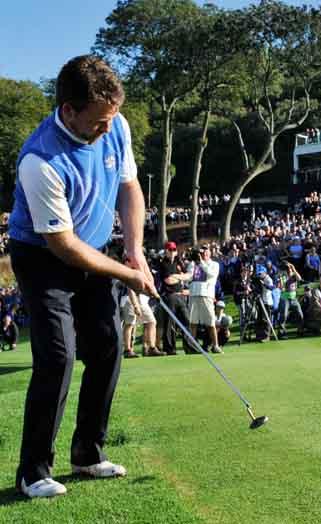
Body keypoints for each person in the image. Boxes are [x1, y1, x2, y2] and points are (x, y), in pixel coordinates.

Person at [7, 55, 155, 498]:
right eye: (97, 121)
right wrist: (127, 276)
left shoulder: (117, 125)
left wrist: (134, 250)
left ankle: (87, 454)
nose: (107, 130)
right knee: (57, 358)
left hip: (96, 251)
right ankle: (33, 472)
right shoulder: (40, 160)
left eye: (111, 118)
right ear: (69, 111)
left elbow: (129, 186)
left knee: (108, 345)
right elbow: (63, 246)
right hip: (44, 258)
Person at [156, 241, 191, 355]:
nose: (172, 252)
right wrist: (181, 277)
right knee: (169, 324)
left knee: (186, 320)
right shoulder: (163, 264)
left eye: (174, 250)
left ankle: (189, 346)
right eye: (170, 250)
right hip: (169, 296)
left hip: (180, 295)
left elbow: (189, 275)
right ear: (166, 251)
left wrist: (177, 276)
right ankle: (170, 349)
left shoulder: (178, 262)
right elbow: (168, 281)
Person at [186, 244, 221, 353]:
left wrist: (201, 263)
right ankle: (192, 346)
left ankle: (215, 345)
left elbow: (211, 274)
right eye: (203, 251)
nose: (205, 252)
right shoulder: (193, 264)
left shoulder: (214, 264)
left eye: (207, 250)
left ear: (210, 252)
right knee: (193, 322)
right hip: (194, 294)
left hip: (207, 294)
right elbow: (189, 277)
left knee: (210, 322)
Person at [121, 287, 161, 358]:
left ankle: (151, 348)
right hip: (129, 297)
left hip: (141, 298)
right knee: (130, 324)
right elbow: (131, 288)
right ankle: (127, 350)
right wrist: (136, 306)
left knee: (151, 321)